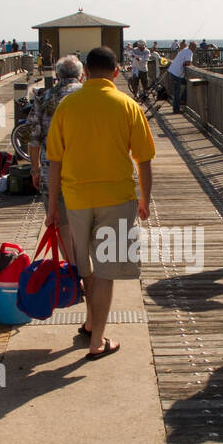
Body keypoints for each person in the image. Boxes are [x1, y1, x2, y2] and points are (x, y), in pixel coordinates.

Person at [46, 46, 155, 360]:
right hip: (117, 198)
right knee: (107, 271)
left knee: (85, 266)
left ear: (86, 73)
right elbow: (144, 160)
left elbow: (54, 160)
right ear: (116, 72)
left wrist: (53, 206)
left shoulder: (68, 105)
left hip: (77, 198)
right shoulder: (127, 104)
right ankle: (97, 341)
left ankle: (92, 322)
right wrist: (145, 199)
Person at [26, 54, 83, 262]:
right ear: (81, 75)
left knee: (61, 223)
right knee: (84, 223)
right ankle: (86, 270)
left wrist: (34, 169)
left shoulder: (44, 97)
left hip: (51, 171)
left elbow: (33, 138)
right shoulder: (87, 96)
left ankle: (72, 271)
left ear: (57, 75)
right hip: (84, 171)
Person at [167, 41, 195, 113]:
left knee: (187, 84)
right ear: (191, 46)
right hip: (177, 74)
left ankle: (182, 99)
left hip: (173, 72)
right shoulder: (189, 52)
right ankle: (176, 109)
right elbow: (187, 63)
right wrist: (191, 65)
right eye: (194, 47)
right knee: (177, 92)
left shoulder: (185, 50)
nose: (195, 48)